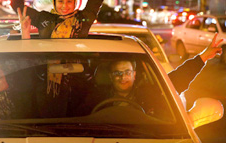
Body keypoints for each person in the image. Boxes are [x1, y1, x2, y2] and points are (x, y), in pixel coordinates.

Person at [88, 33, 223, 115]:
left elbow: (176, 80)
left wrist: (203, 56)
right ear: (111, 76)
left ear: (134, 75)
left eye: (127, 72)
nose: (123, 77)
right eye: (117, 73)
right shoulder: (97, 99)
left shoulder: (149, 94)